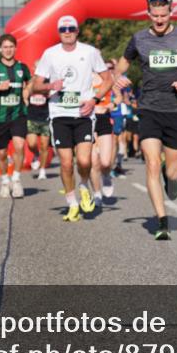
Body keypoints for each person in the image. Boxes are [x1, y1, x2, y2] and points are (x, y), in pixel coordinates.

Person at [116, 0, 177, 240]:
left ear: (170, 13)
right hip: (149, 108)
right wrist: (117, 78)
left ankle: (169, 176)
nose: (160, 20)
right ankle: (162, 220)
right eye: (155, 16)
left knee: (173, 173)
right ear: (149, 14)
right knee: (151, 162)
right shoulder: (139, 39)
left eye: (164, 15)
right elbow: (122, 63)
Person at [31, 15, 111, 223]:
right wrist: (50, 86)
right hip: (59, 114)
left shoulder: (90, 52)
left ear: (77, 31)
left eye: (71, 28)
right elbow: (36, 85)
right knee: (66, 163)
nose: (67, 32)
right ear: (59, 32)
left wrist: (94, 100)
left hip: (83, 113)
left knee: (84, 160)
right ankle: (72, 203)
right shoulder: (50, 54)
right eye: (63, 29)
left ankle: (84, 185)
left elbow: (108, 79)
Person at [0, 33, 31, 198]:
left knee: (18, 146)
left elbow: (30, 83)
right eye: (5, 47)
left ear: (15, 48)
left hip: (18, 114)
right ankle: (4, 180)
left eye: (11, 47)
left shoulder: (22, 68)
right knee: (2, 153)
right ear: (0, 49)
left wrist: (26, 93)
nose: (8, 50)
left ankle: (16, 179)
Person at [89, 60, 118, 206]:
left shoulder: (108, 78)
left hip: (104, 120)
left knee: (105, 162)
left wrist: (112, 105)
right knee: (94, 161)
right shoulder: (82, 78)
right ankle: (97, 193)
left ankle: (106, 175)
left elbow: (118, 97)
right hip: (87, 120)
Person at [26, 59, 52, 180]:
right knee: (31, 144)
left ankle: (42, 170)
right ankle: (36, 154)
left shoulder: (48, 81)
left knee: (44, 145)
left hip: (45, 116)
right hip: (31, 116)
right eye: (37, 68)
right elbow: (27, 92)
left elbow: (50, 92)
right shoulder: (30, 81)